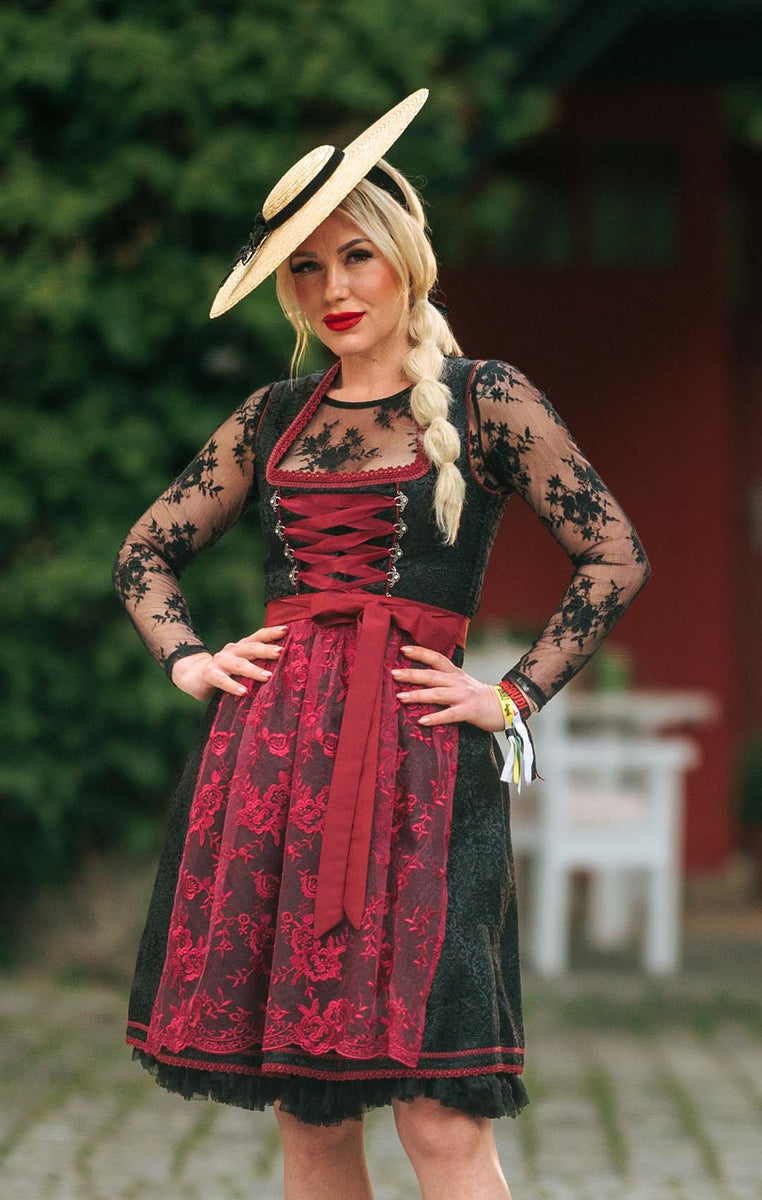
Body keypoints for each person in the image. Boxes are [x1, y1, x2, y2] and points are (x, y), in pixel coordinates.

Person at [113, 88, 651, 1200]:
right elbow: (145, 553)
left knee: (442, 1119)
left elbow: (615, 556)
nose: (335, 289)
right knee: (311, 1125)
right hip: (272, 775)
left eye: (356, 256)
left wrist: (510, 699)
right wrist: (192, 661)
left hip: (422, 774)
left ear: (404, 253)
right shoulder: (273, 418)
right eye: (306, 270)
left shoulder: (485, 399)